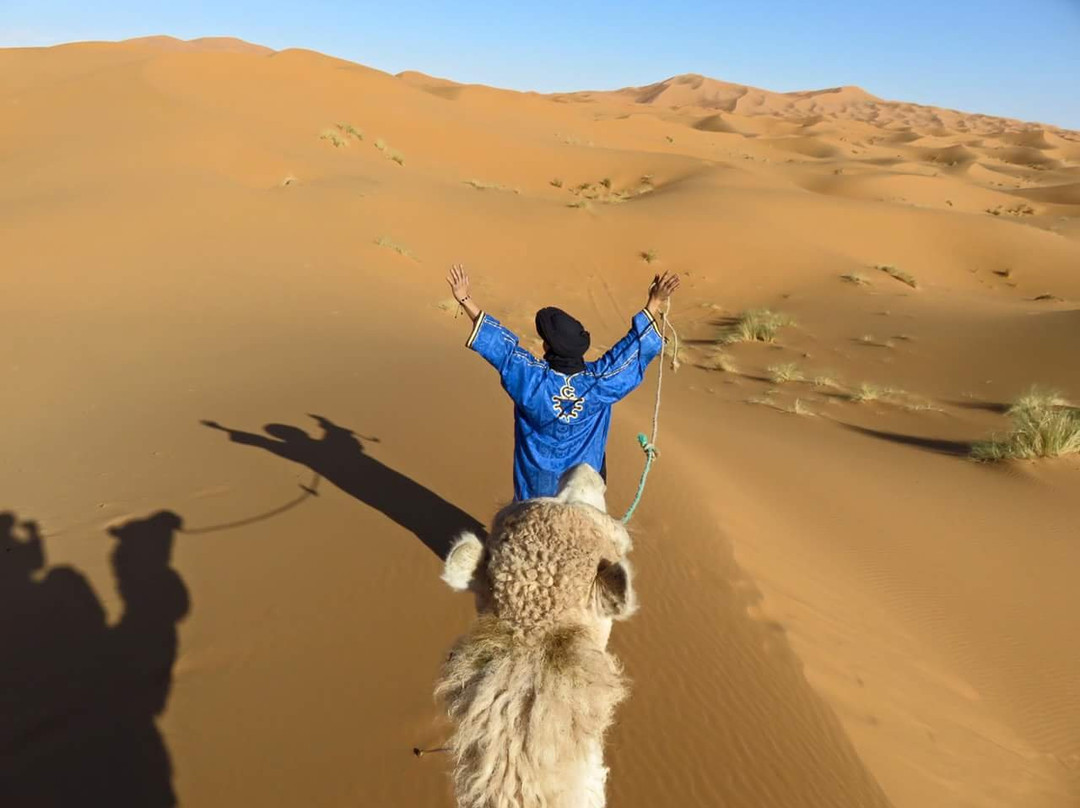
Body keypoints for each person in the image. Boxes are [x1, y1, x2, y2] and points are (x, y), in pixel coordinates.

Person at [446, 264, 680, 500]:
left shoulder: (531, 379)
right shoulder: (600, 382)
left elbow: (503, 348)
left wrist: (465, 299)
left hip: (536, 492)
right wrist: (655, 302)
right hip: (585, 493)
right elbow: (631, 350)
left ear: (547, 347)